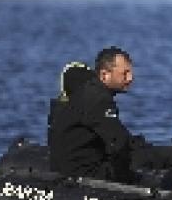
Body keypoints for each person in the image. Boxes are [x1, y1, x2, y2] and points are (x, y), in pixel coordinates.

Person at [49, 46, 138, 183]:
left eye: (130, 73)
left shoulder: (85, 94)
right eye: (124, 74)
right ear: (104, 75)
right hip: (83, 176)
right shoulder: (99, 100)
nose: (130, 78)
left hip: (68, 168)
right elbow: (119, 142)